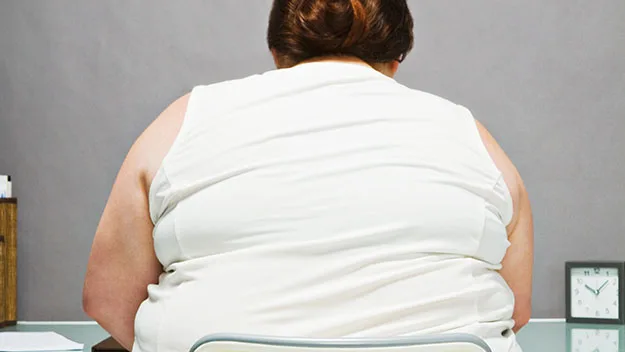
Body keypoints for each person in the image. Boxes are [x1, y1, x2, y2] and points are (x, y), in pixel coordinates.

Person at [83, 1, 534, 351]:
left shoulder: (183, 121)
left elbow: (106, 297)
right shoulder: (472, 137)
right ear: (396, 58)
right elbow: (517, 309)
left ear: (278, 53)